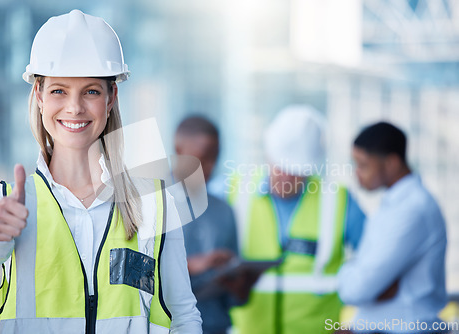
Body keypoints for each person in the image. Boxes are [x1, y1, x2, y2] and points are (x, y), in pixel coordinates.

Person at [0, 10, 202, 334]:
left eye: (91, 91)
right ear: (38, 95)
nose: (74, 107)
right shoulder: (5, 201)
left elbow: (183, 316)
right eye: (58, 91)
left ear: (111, 98)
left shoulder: (155, 205)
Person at [228, 105, 366, 334]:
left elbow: (379, 266)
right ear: (268, 155)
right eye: (282, 167)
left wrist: (360, 325)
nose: (287, 176)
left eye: (296, 170)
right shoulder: (234, 192)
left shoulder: (338, 200)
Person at [337, 122, 448, 334]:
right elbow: (367, 282)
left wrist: (349, 272)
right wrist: (363, 275)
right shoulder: (393, 205)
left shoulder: (413, 209)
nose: (357, 173)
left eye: (363, 165)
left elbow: (358, 289)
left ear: (391, 163)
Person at [174, 116, 239, 334]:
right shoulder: (147, 203)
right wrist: (190, 265)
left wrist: (240, 285)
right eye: (202, 159)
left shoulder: (224, 210)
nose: (210, 167)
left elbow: (235, 299)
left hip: (215, 326)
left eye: (215, 158)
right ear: (178, 151)